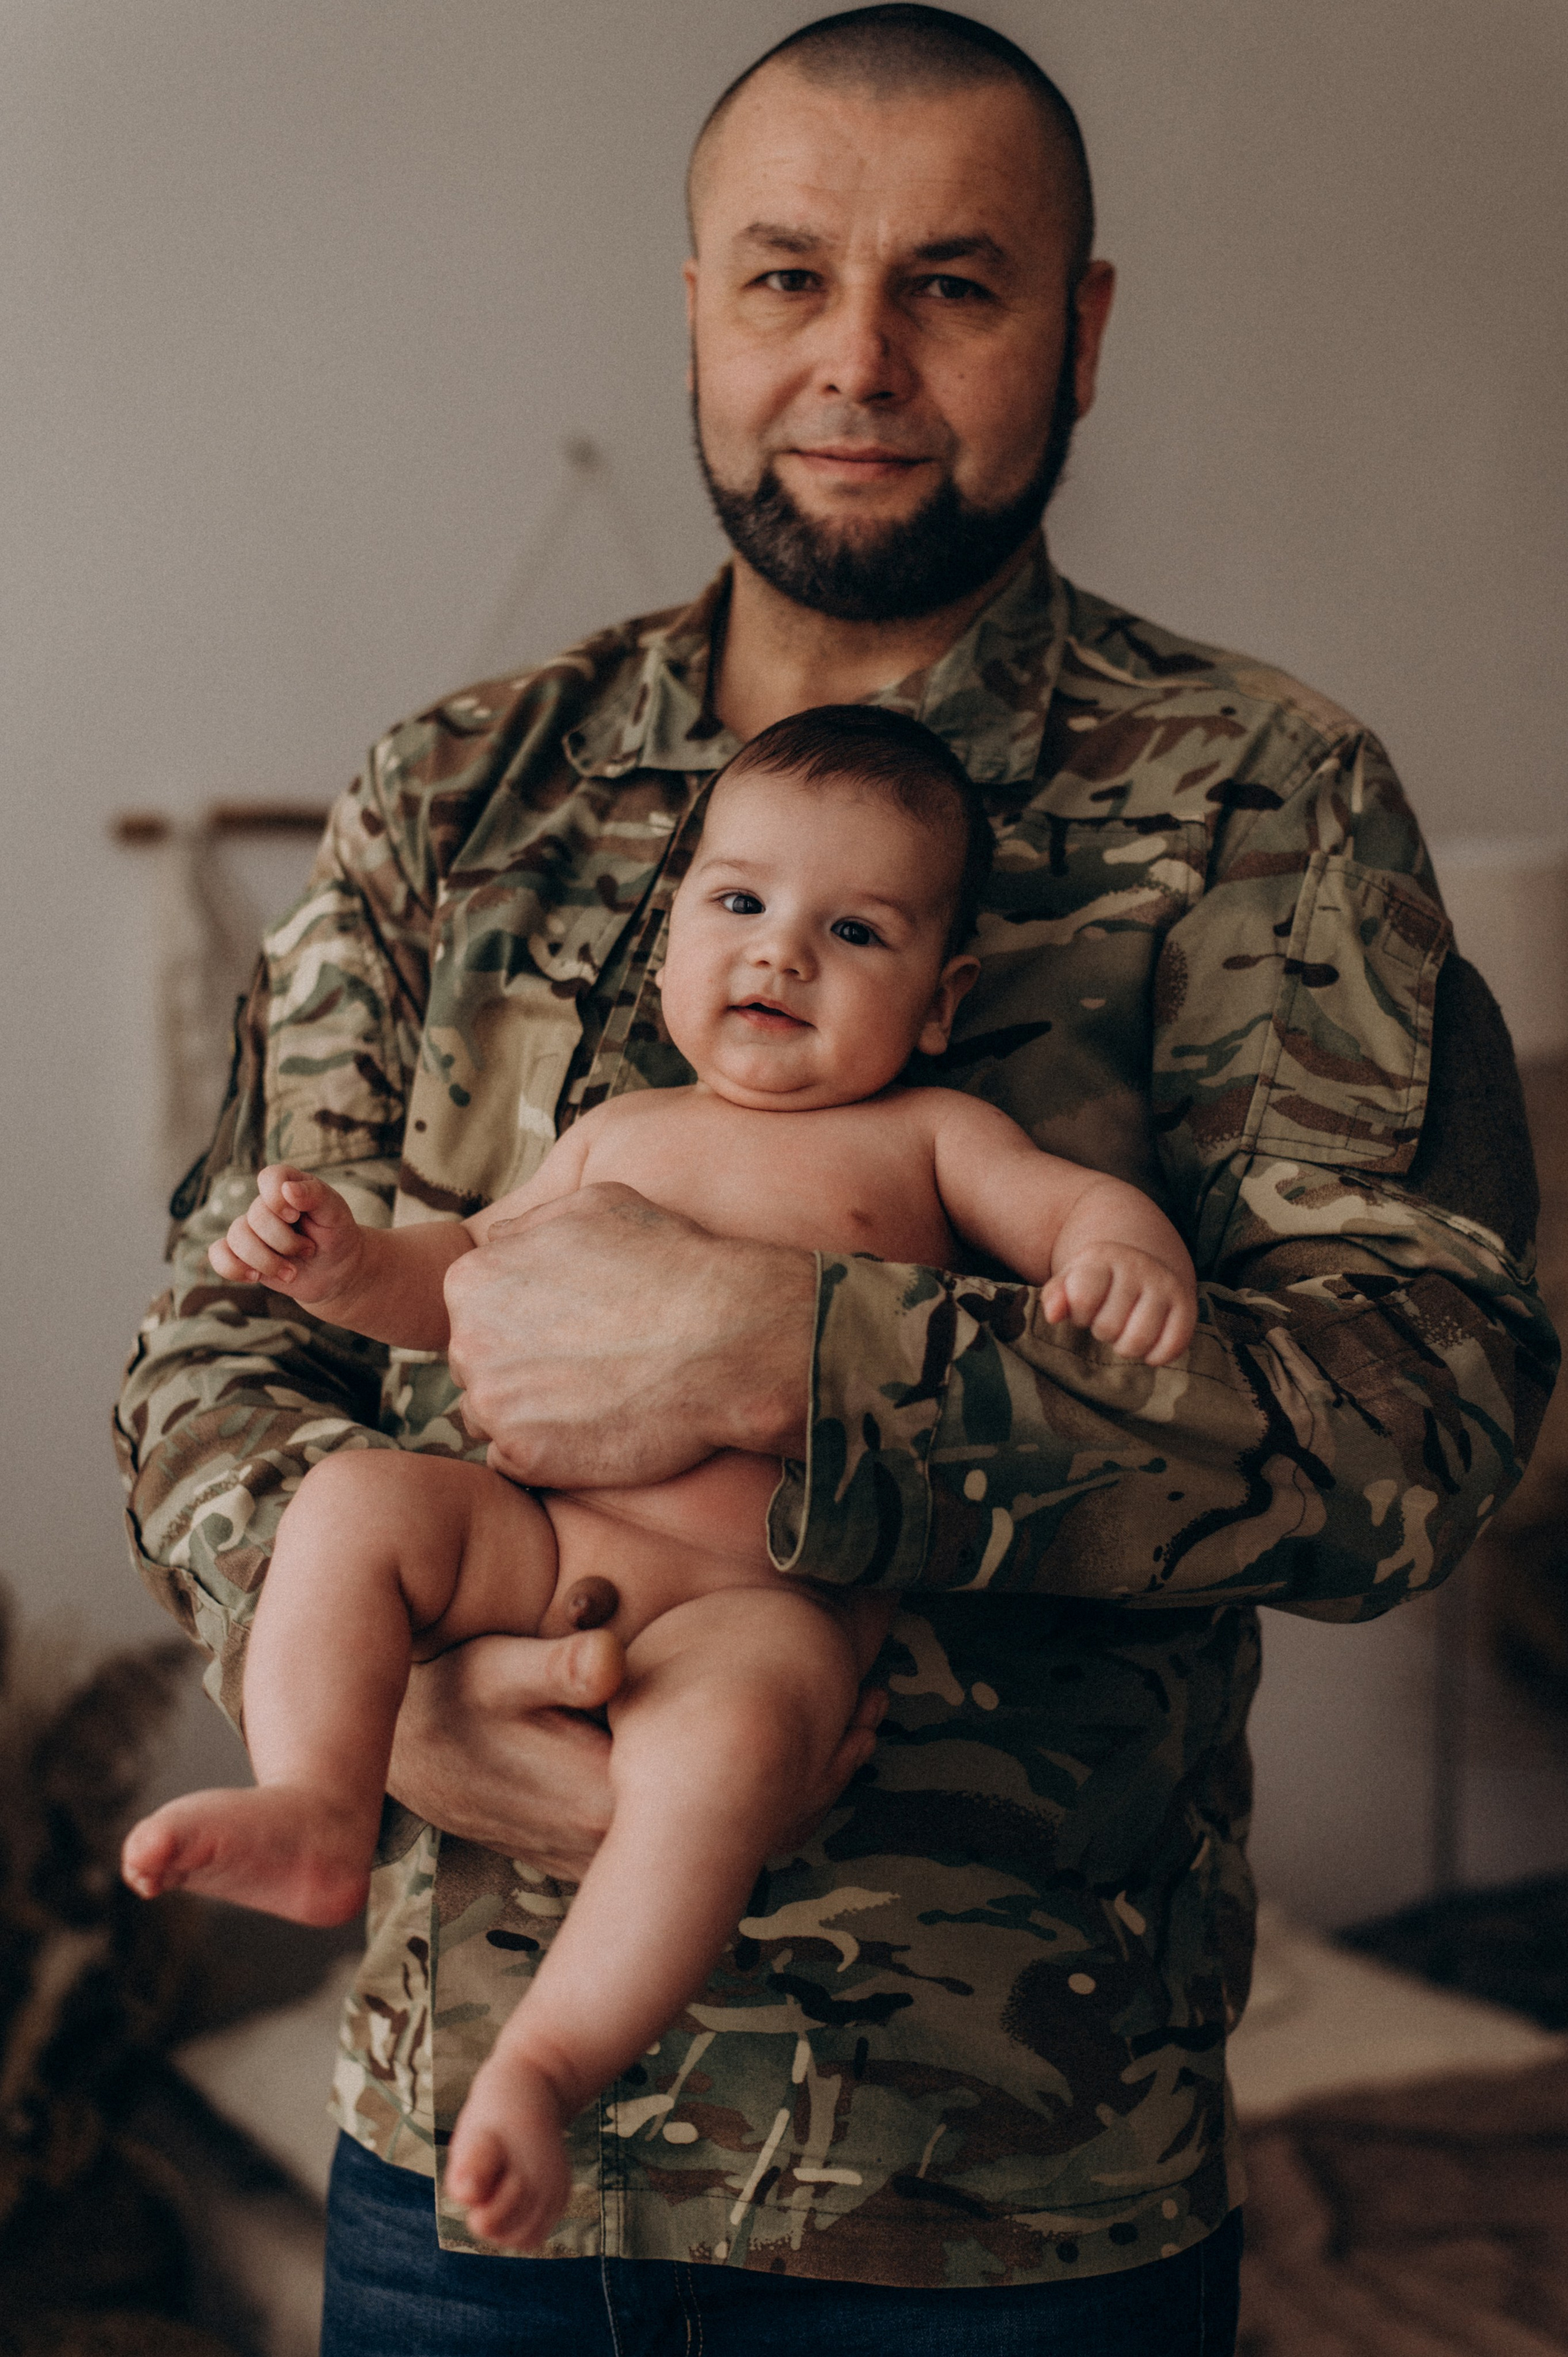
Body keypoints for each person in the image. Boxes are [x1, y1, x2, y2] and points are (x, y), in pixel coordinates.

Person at [115, 7, 1554, 2353]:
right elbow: (215, 1345)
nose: (857, 360)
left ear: (1082, 331)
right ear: (695, 302)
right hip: (463, 2151)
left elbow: (1416, 1423)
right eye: (788, 277)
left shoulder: (1268, 806)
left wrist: (812, 1361)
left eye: (954, 286)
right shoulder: (459, 786)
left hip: (1001, 2186)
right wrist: (368, 1705)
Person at [121, 707, 1198, 2253]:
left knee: (727, 1751)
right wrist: (344, 1261)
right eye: (739, 903)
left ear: (942, 995)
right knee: (354, 1499)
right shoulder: (613, 1130)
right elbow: (459, 1285)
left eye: (855, 928)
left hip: (755, 1599)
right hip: (541, 1542)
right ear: (677, 923)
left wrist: (1118, 1255)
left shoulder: (932, 1136)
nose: (781, 955)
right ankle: (314, 1798)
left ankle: (546, 2069)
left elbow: (1076, 1204)